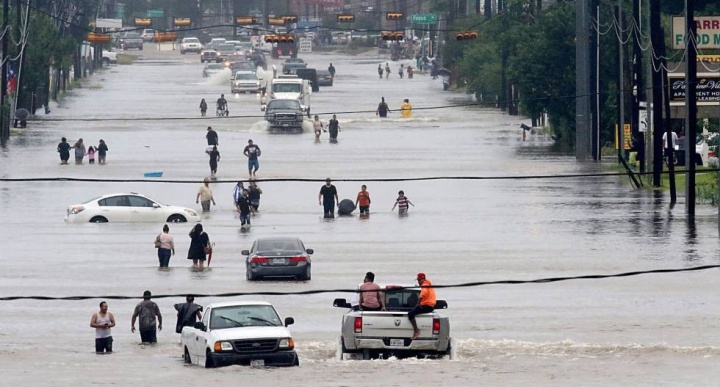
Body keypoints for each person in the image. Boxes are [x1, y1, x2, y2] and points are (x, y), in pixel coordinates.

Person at [408, 273, 436, 339]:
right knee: (413, 311)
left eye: (419, 280)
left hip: (427, 306)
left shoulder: (425, 285)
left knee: (410, 314)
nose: (418, 282)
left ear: (422, 279)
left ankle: (416, 330)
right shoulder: (428, 285)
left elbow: (424, 293)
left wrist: (418, 303)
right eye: (418, 280)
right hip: (429, 306)